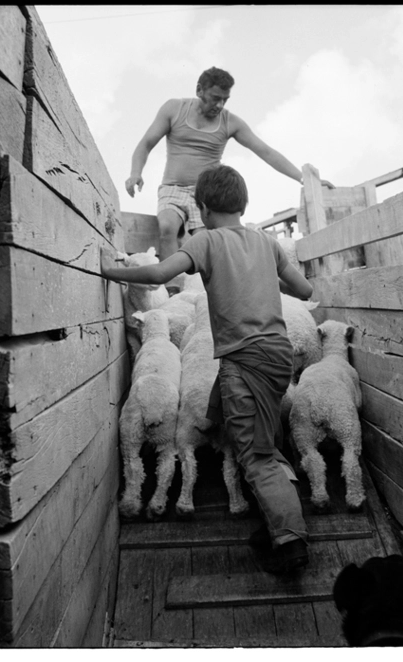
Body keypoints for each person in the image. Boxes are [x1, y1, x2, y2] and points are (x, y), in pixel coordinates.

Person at [102, 165, 313, 574]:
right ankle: (276, 514)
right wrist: (264, 279)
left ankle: (290, 542)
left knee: (257, 457)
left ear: (202, 208)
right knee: (258, 426)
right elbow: (305, 290)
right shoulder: (267, 242)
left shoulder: (207, 241)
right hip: (277, 354)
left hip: (244, 358)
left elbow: (161, 273)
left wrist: (112, 271)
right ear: (243, 203)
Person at [125, 66, 333, 292]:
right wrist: (136, 172)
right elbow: (145, 144)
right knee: (167, 225)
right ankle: (173, 290)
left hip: (205, 194)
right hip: (172, 187)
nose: (220, 105)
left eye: (225, 100)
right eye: (215, 98)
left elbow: (265, 151)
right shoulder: (174, 109)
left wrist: (304, 179)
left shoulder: (230, 122)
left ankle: (206, 290)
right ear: (199, 90)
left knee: (205, 240)